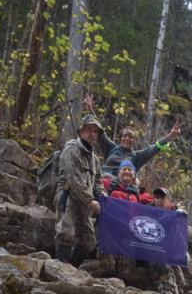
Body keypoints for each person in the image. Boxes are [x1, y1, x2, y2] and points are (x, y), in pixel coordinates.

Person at [84, 94, 182, 177]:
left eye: (130, 137)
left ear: (134, 141)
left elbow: (155, 148)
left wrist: (170, 136)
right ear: (120, 138)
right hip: (103, 183)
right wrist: (90, 111)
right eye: (124, 136)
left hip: (122, 187)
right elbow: (100, 132)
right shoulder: (110, 148)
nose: (127, 138)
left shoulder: (137, 156)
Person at [54, 112, 106, 267]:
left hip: (85, 202)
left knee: (89, 241)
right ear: (80, 131)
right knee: (66, 233)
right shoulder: (71, 150)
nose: (92, 134)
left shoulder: (94, 158)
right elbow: (74, 179)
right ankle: (60, 269)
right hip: (68, 195)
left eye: (95, 131)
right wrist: (91, 200)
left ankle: (72, 268)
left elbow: (97, 179)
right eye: (89, 130)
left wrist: (102, 192)